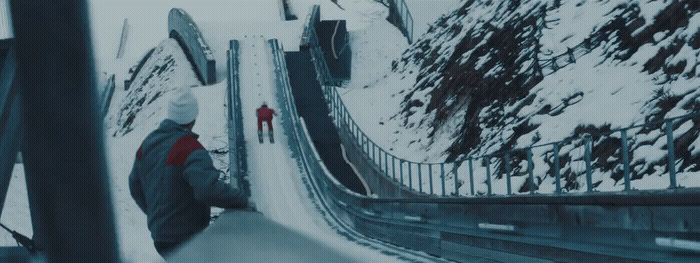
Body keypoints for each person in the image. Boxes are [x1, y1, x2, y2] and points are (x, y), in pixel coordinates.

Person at [129, 86, 248, 256]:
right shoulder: (190, 148)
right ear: (193, 118)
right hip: (186, 238)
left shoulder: (148, 144)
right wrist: (241, 200)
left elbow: (135, 186)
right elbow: (208, 189)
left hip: (161, 238)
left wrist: (157, 214)